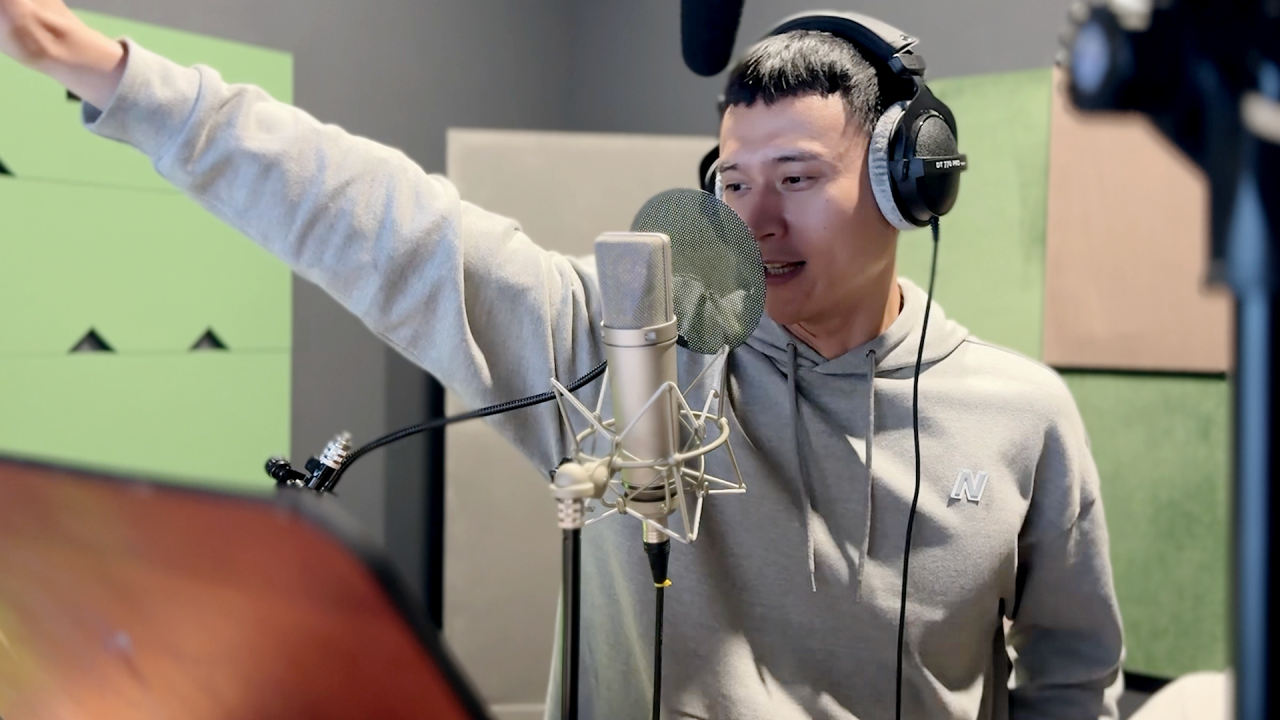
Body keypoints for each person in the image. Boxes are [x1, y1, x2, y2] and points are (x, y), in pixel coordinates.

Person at [1, 2, 1126, 717]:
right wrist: (106, 71)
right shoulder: (622, 344)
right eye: (733, 183)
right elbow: (378, 219)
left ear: (907, 181)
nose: (753, 221)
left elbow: (1072, 678)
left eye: (796, 178)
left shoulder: (1019, 415)